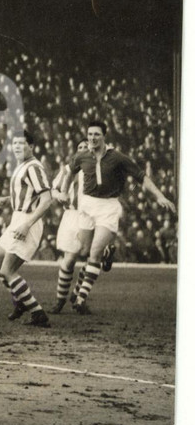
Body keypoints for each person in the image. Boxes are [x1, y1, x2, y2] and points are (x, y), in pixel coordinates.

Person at [61, 119, 176, 314]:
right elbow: (69, 173)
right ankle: (106, 253)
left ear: (104, 136)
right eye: (90, 134)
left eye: (96, 134)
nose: (92, 138)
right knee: (84, 250)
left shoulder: (117, 157)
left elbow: (141, 177)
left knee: (94, 252)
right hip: (87, 205)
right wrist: (64, 192)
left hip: (108, 207)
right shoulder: (82, 156)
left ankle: (80, 299)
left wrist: (160, 196)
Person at [0, 131, 53, 328]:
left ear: (31, 147)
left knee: (7, 270)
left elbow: (46, 200)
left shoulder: (34, 167)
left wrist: (27, 224)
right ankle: (20, 301)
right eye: (14, 144)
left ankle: (38, 313)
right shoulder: (22, 166)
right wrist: (8, 200)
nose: (16, 147)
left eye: (21, 144)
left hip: (27, 222)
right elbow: (28, 194)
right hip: (17, 218)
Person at [49, 139, 91, 313]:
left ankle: (77, 293)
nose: (82, 150)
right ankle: (61, 300)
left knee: (92, 258)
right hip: (71, 216)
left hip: (89, 216)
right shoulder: (67, 169)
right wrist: (60, 195)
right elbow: (52, 190)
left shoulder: (95, 169)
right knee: (70, 260)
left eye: (85, 147)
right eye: (79, 147)